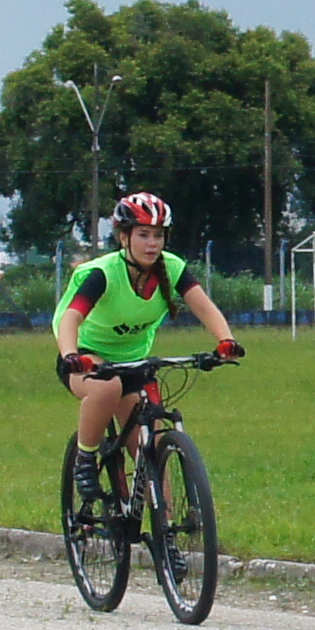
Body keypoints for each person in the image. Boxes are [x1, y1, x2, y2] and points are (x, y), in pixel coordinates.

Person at [54, 192, 242, 500]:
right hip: (85, 356)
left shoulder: (172, 268)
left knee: (150, 449)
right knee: (106, 388)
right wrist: (71, 355)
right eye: (143, 235)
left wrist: (226, 342)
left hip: (134, 361)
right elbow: (71, 318)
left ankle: (167, 538)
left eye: (158, 235)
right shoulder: (103, 273)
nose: (152, 243)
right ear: (123, 236)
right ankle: (85, 460)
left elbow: (204, 307)